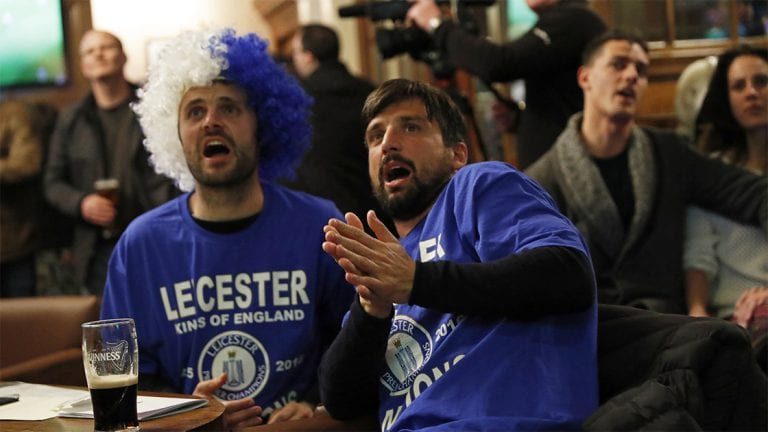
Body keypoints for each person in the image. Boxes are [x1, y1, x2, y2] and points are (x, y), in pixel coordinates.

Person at [99, 28, 354, 429]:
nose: (211, 122)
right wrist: (186, 412)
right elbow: (120, 382)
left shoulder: (321, 226)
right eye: (194, 111)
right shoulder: (141, 245)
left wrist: (315, 403)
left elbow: (356, 344)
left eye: (229, 108)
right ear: (174, 133)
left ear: (262, 124)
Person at [318, 78, 597, 431]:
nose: (388, 143)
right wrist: (371, 311)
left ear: (457, 154)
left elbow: (568, 273)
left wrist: (416, 282)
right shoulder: (388, 262)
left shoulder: (477, 186)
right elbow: (340, 401)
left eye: (411, 126)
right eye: (376, 136)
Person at [525, 30, 768, 314]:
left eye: (640, 70)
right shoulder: (541, 180)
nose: (631, 76)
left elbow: (756, 193)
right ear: (585, 77)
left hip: (671, 332)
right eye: (618, 65)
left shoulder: (669, 153)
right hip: (592, 329)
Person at [44, 30, 178, 295]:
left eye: (107, 47)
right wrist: (82, 203)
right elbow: (52, 182)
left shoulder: (153, 107)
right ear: (83, 65)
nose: (99, 54)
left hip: (153, 238)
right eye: (90, 51)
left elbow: (176, 171)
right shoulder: (71, 119)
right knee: (109, 329)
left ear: (123, 56)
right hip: (96, 250)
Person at [406, 0, 606, 168]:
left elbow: (498, 63)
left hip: (571, 175)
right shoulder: (567, 22)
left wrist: (437, 24)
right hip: (559, 168)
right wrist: (520, 119)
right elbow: (566, 101)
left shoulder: (574, 19)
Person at [684, 44, 767, 325]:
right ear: (727, 99)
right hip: (730, 318)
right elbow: (698, 254)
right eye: (739, 86)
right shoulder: (711, 171)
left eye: (761, 82)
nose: (751, 92)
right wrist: (698, 315)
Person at [286, 24, 393, 233]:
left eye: (296, 53)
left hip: (321, 219)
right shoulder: (370, 93)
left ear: (308, 56)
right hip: (374, 216)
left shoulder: (297, 100)